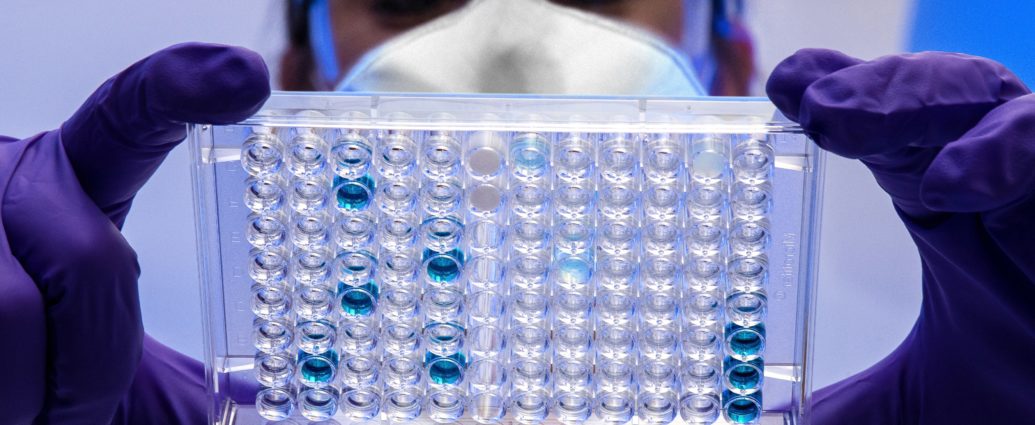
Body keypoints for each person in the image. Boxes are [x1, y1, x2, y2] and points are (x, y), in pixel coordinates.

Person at [2, 1, 1032, 424]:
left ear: (733, 61)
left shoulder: (940, 370)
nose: (507, 35)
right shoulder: (90, 377)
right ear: (296, 72)